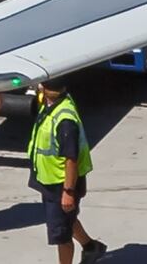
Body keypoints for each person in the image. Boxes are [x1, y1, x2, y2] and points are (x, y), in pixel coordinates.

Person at [26, 77, 91, 261]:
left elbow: (71, 159)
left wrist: (68, 191)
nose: (40, 88)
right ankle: (90, 246)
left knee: (62, 236)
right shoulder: (56, 101)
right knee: (64, 222)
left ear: (48, 90)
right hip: (50, 181)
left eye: (43, 87)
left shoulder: (65, 120)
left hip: (61, 185)